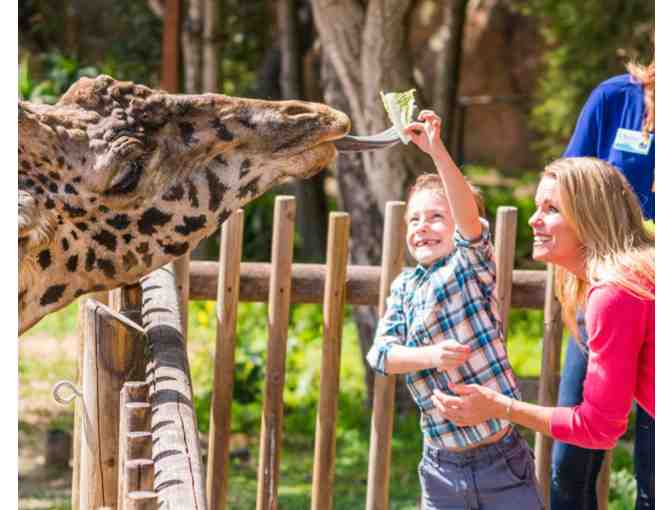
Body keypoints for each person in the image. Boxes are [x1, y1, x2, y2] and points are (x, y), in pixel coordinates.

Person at [430, 157, 655, 510]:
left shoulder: (616, 292)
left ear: (589, 217)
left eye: (551, 209)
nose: (534, 220)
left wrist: (497, 406)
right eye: (537, 207)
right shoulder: (639, 273)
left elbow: (599, 427)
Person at [366, 110, 543, 509]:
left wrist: (436, 152)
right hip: (441, 466)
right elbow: (381, 354)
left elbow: (467, 222)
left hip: (502, 460)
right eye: (414, 219)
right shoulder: (405, 286)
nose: (421, 226)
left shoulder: (470, 266)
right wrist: (429, 356)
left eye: (435, 217)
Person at [552, 60, 655, 510]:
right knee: (570, 462)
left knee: (656, 472)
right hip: (606, 296)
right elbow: (567, 185)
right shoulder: (616, 97)